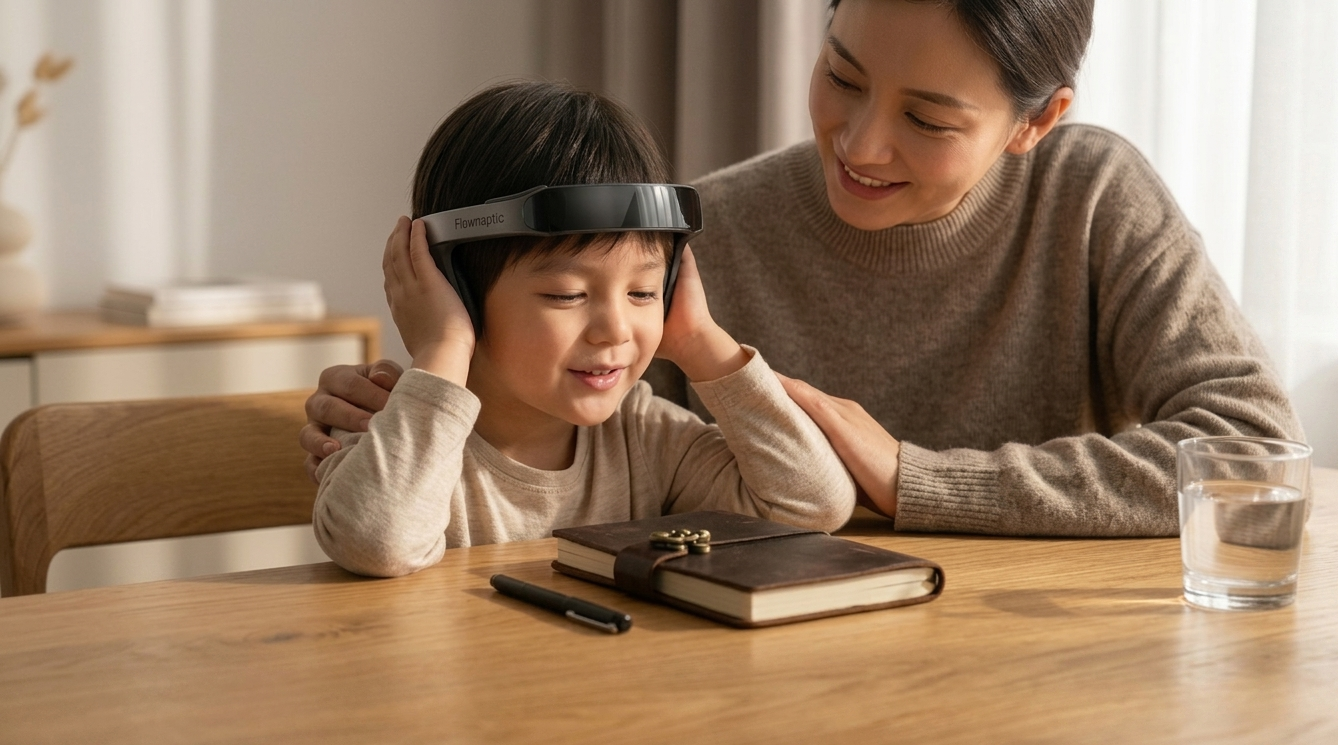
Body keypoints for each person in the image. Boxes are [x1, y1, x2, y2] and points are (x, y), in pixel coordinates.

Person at [301, 0, 1301, 539]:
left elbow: (1251, 455)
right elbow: (555, 407)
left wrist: (920, 480)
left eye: (927, 119)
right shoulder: (699, 233)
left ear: (1037, 121)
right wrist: (421, 389)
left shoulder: (1092, 197)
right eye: (842, 77)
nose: (860, 145)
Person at [311, 81, 854, 577]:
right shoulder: (395, 429)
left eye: (643, 291)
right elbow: (377, 541)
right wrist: (444, 346)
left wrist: (699, 341)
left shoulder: (644, 435)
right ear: (452, 288)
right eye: (566, 295)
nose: (615, 328)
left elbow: (813, 506)